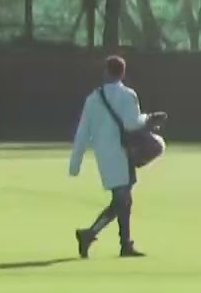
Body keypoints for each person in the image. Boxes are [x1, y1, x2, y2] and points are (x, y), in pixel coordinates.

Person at [70, 55, 166, 259]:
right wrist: (148, 119)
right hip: (124, 151)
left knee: (123, 199)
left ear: (106, 71)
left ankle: (124, 244)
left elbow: (82, 131)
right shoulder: (128, 95)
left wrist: (75, 162)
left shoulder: (93, 98)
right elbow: (132, 123)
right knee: (122, 200)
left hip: (105, 154)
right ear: (122, 73)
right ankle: (90, 234)